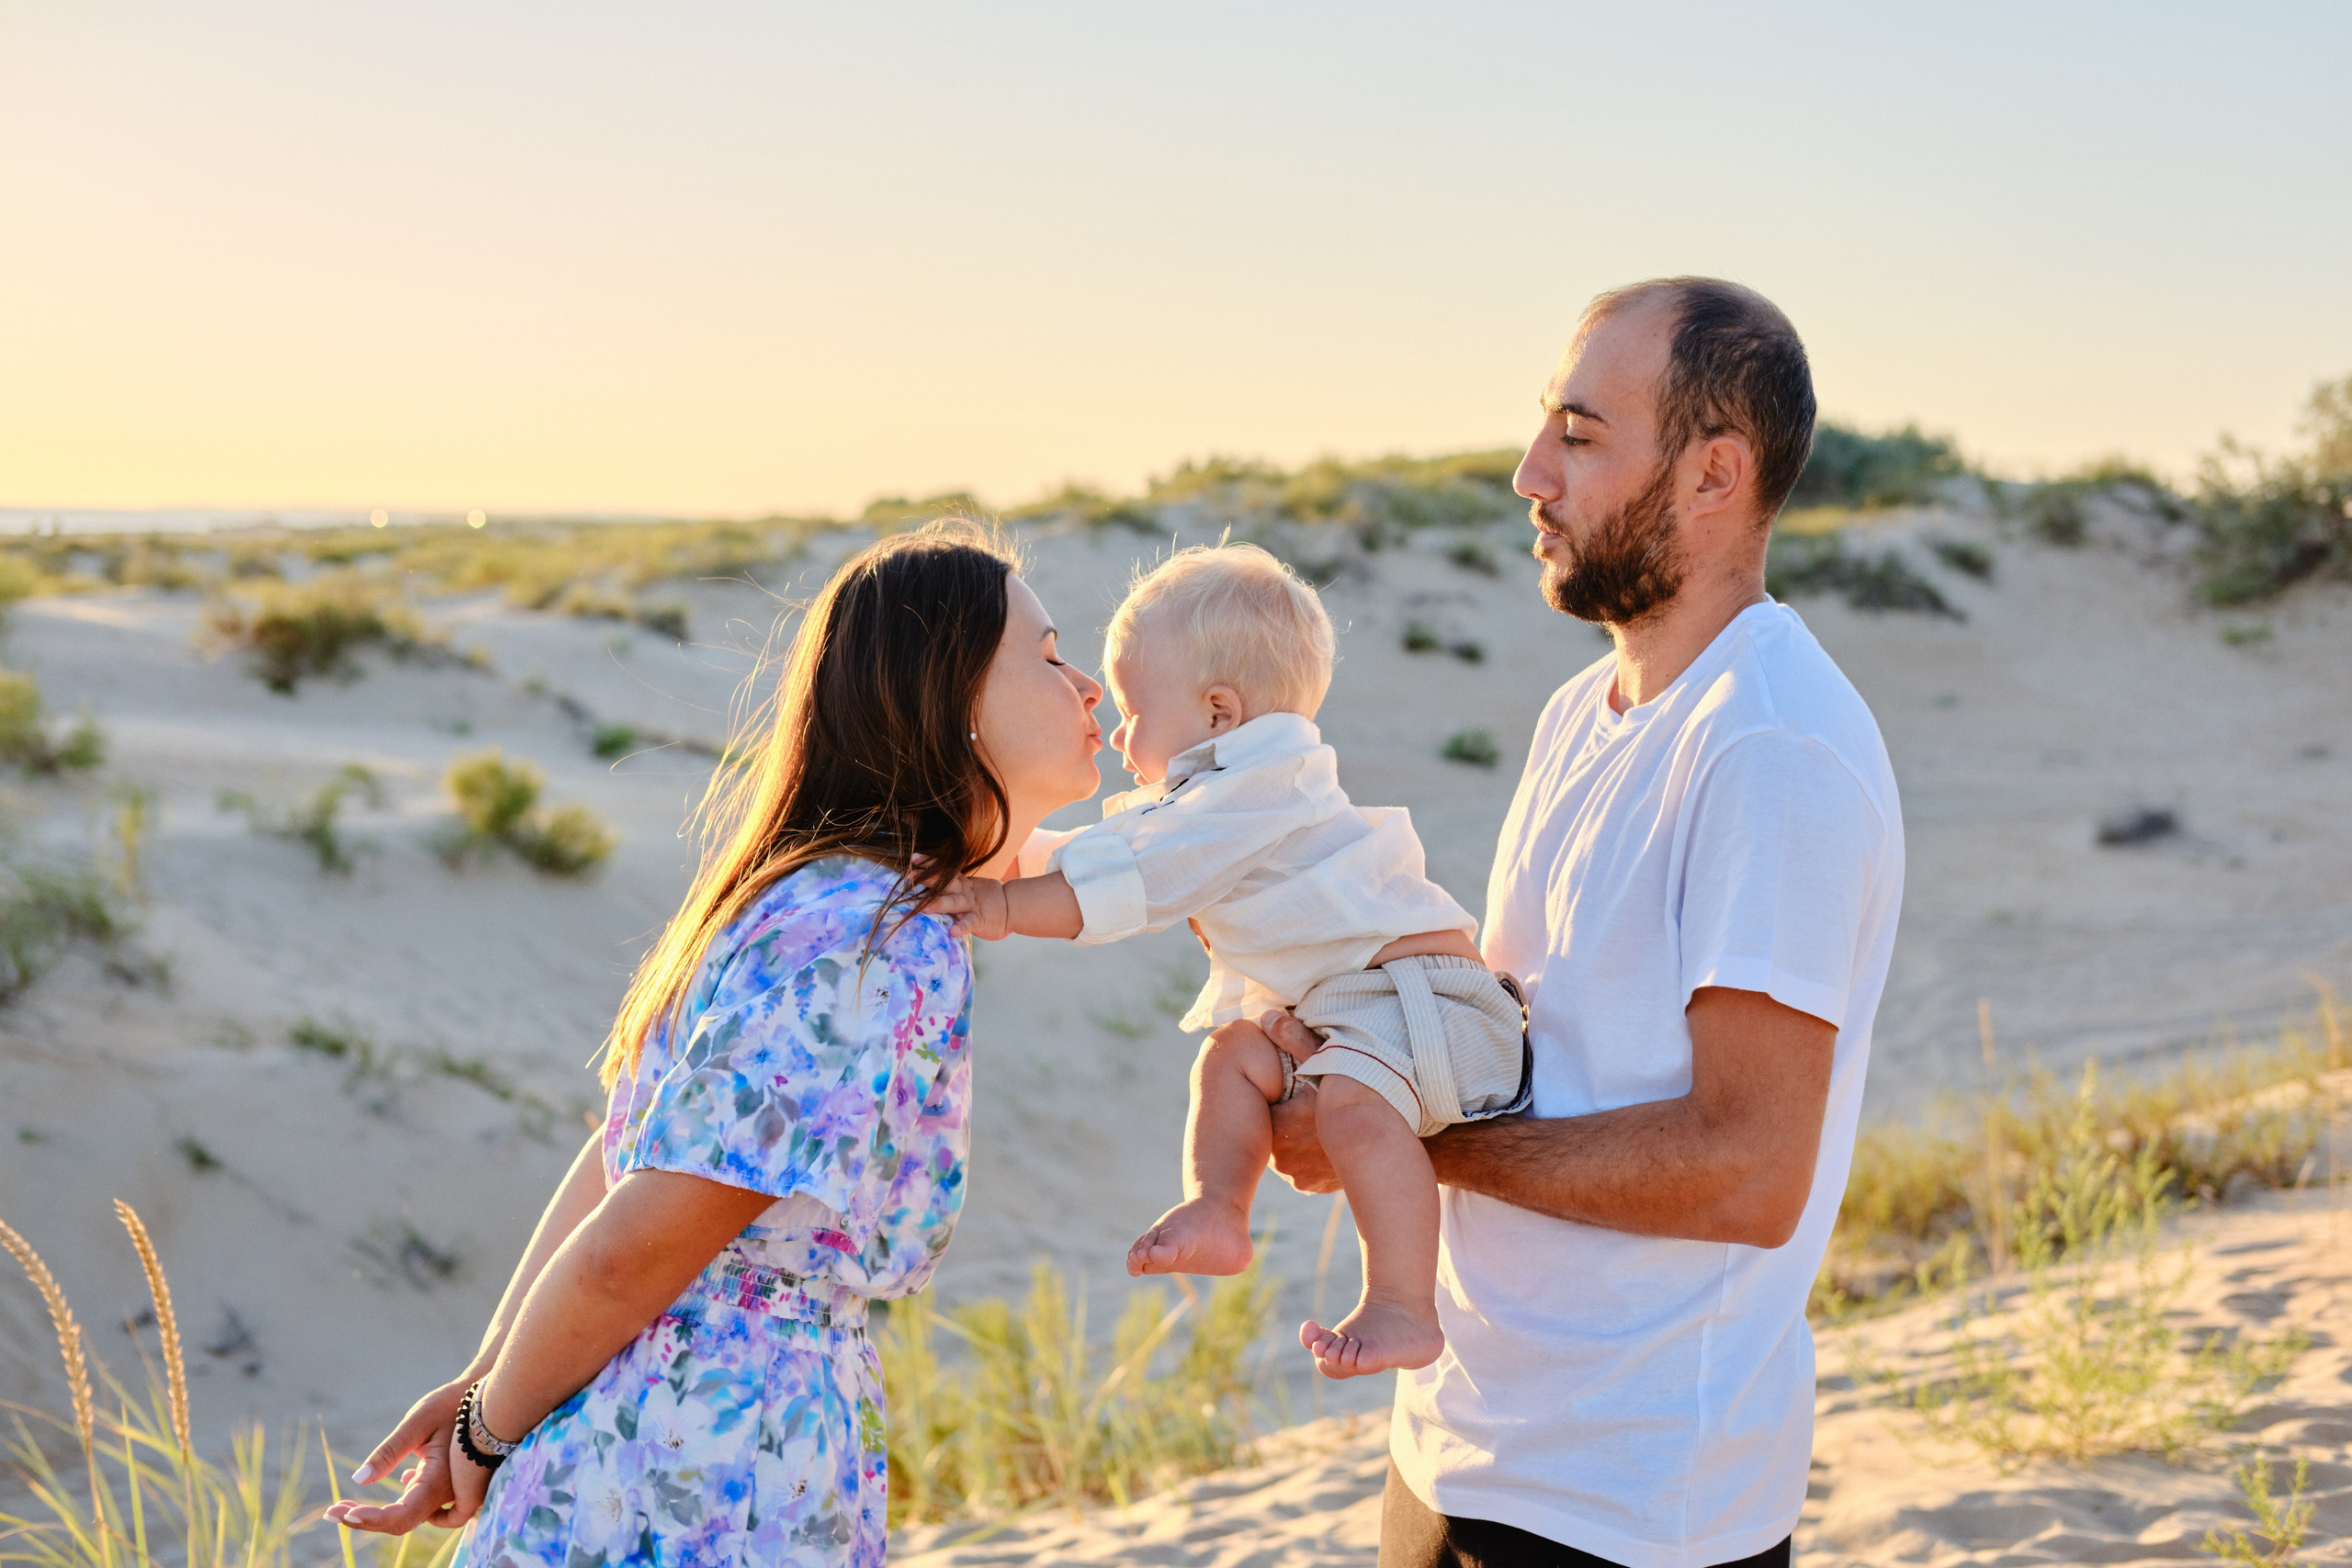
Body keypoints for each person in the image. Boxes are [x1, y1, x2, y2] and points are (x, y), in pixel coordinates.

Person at [1265, 278, 1906, 1568]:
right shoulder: (1584, 711)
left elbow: (1747, 1167)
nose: (1528, 473)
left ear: (1714, 472)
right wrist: (1353, 1039)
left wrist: (1410, 1144)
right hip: (1459, 1441)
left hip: (1631, 1502)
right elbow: (1522, 1042)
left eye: (1578, 431)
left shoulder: (1770, 745)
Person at [324, 520, 1105, 1568]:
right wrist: (486, 1421)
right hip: (709, 1455)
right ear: (951, 699)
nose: (1089, 683)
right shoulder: (862, 937)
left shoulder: (813, 897)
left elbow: (619, 1153)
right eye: (1050, 656)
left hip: (660, 1427)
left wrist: (490, 1380)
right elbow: (631, 1239)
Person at [933, 542, 1530, 1380]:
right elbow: (1097, 853)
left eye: (1136, 711)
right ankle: (1220, 1208)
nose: (1117, 726)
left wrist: (997, 907)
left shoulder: (1262, 785)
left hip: (1431, 1004)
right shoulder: (1220, 791)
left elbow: (1126, 880)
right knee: (1232, 1056)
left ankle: (1404, 1303)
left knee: (1354, 1105)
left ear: (1218, 710)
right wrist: (992, 852)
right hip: (1355, 1010)